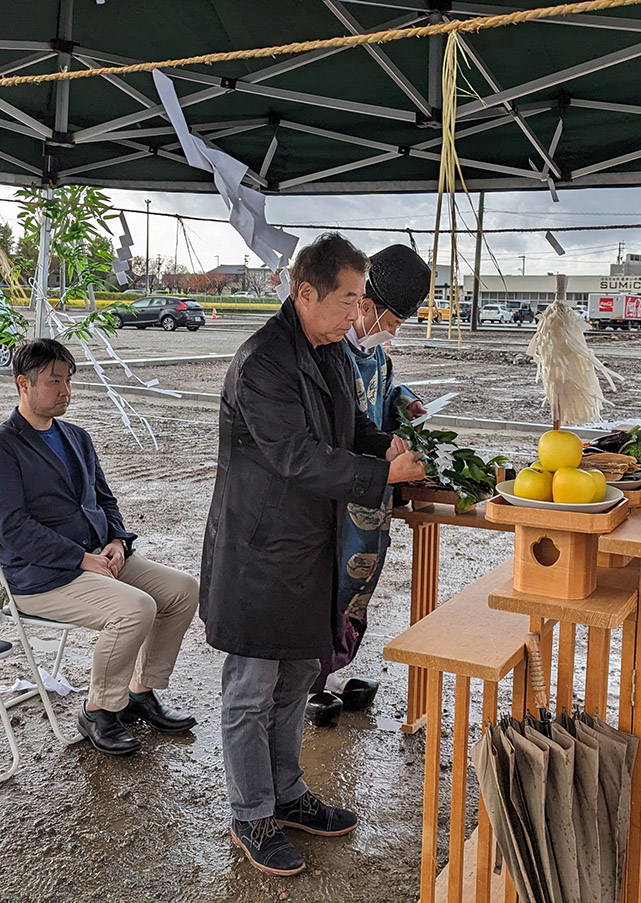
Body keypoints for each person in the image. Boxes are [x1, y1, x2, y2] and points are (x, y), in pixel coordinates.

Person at [200, 233, 426, 877]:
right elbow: (296, 455)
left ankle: (287, 793)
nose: (357, 313)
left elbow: (347, 426)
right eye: (349, 299)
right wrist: (381, 477)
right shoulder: (263, 361)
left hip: (305, 547)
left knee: (299, 674)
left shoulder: (326, 351)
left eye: (360, 299)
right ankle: (251, 813)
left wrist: (384, 446)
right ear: (306, 293)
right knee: (251, 688)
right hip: (259, 550)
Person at [0, 338, 199, 757]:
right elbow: (13, 529)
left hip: (99, 556)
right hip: (43, 576)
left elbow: (104, 500)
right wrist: (80, 559)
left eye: (68, 380)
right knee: (135, 609)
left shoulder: (76, 437)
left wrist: (117, 541)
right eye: (54, 381)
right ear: (23, 384)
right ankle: (98, 710)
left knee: (183, 590)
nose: (66, 391)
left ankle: (138, 692)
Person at [304, 243, 431, 728]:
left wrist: (408, 402)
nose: (392, 333)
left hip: (377, 490)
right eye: (391, 322)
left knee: (360, 578)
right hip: (342, 490)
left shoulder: (374, 355)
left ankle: (334, 671)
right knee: (329, 579)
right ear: (366, 306)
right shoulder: (330, 350)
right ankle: (307, 682)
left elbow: (388, 393)